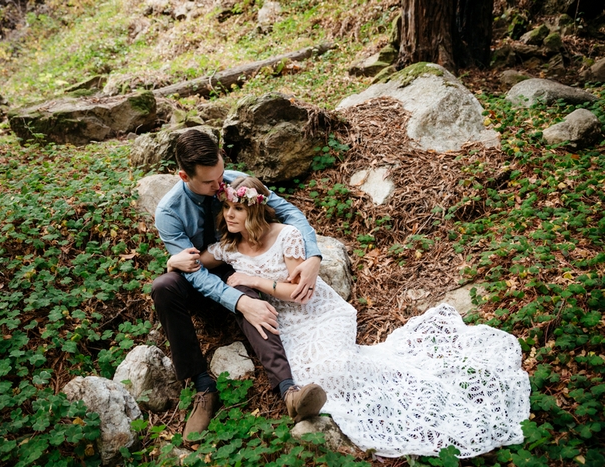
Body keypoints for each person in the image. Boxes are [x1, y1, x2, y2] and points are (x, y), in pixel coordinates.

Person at [169, 175, 532, 458]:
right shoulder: (228, 245)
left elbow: (297, 291)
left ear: (257, 211)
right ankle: (298, 395)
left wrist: (253, 280)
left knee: (337, 365)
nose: (229, 216)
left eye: (238, 210)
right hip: (286, 321)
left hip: (316, 312)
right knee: (314, 371)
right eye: (227, 209)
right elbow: (197, 261)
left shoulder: (288, 237)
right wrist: (173, 261)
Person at [152, 129, 327, 439]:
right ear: (183, 175)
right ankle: (203, 386)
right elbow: (194, 270)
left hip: (243, 271)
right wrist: (237, 300)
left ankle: (289, 392)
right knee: (164, 287)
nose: (220, 186)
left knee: (244, 287)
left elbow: (289, 212)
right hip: (203, 279)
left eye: (220, 174)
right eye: (209, 182)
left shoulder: (235, 182)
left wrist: (313, 255)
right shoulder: (169, 212)